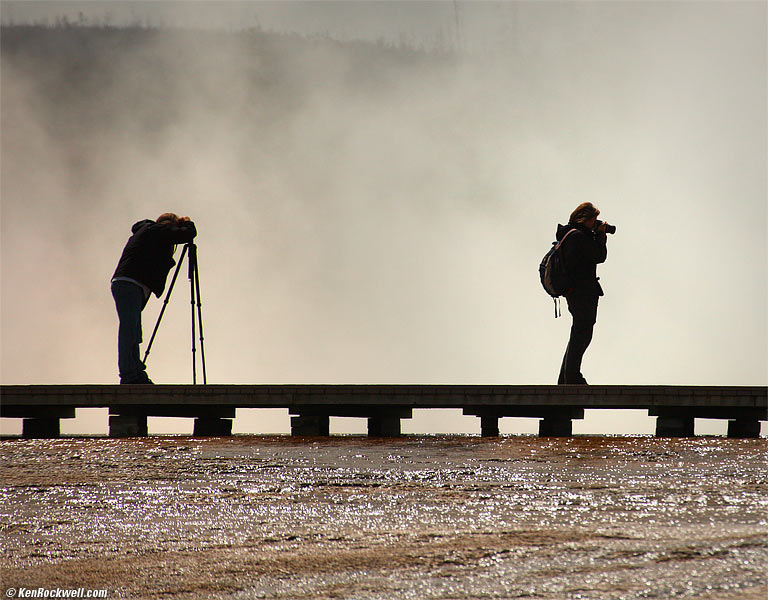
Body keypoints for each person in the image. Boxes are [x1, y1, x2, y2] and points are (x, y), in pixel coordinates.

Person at [111, 213, 197, 384]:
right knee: (129, 329)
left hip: (129, 284)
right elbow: (188, 233)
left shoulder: (148, 231)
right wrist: (186, 222)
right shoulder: (157, 229)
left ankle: (136, 371)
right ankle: (129, 374)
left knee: (134, 330)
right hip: (131, 283)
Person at [556, 202, 608, 384]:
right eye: (594, 220)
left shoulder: (572, 235)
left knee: (579, 333)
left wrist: (595, 234)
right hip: (581, 293)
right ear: (584, 219)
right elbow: (599, 256)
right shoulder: (578, 237)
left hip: (576, 292)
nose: (595, 223)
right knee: (582, 334)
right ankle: (571, 378)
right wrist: (600, 236)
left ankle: (566, 378)